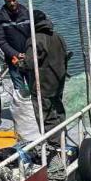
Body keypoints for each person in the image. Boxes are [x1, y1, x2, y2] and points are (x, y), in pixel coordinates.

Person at [20, 9, 68, 145]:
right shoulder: (57, 36)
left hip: (43, 85)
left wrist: (20, 63)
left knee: (46, 117)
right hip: (58, 82)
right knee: (59, 110)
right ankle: (63, 135)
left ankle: (56, 145)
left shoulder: (35, 39)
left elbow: (29, 64)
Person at [0, 0, 33, 93]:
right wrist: (16, 54)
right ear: (4, 1)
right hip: (13, 60)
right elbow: (1, 41)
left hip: (29, 57)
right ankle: (21, 102)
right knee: (19, 90)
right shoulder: (0, 18)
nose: (12, 3)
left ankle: (35, 103)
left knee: (34, 87)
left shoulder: (27, 13)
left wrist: (30, 52)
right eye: (9, 1)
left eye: (14, 0)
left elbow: (34, 34)